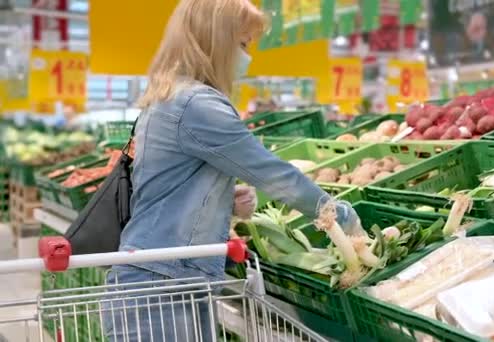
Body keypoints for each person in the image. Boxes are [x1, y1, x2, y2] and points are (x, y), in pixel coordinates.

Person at [102, 0, 361, 340]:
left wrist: (221, 200)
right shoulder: (197, 103)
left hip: (162, 278)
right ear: (215, 41)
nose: (246, 55)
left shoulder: (169, 95)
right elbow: (272, 173)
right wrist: (336, 214)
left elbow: (162, 186)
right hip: (163, 288)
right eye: (241, 44)